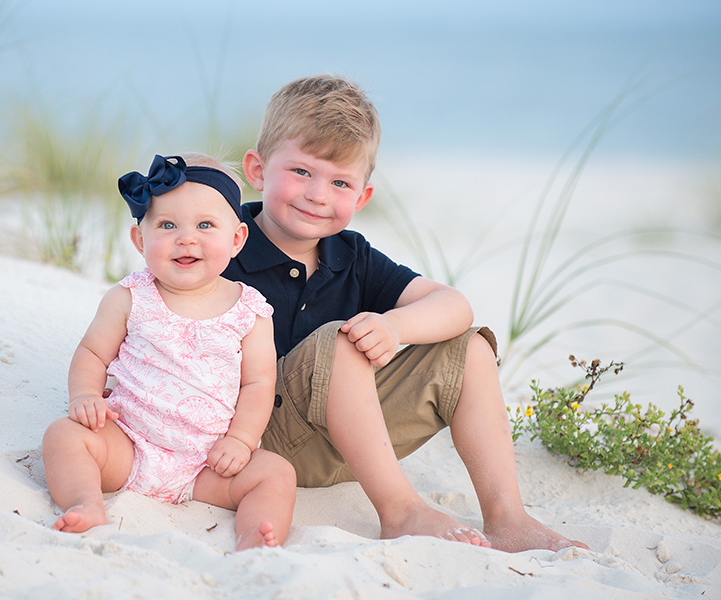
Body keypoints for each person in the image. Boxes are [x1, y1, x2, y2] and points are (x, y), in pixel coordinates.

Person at [222, 75, 590, 553]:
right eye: (301, 172)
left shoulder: (351, 255)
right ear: (257, 169)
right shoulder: (225, 243)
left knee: (470, 348)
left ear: (362, 198)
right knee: (339, 341)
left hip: (349, 448)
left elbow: (455, 305)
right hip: (253, 445)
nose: (317, 194)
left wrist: (395, 326)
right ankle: (400, 511)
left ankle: (507, 518)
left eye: (339, 183)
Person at [42, 153, 296, 551]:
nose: (186, 237)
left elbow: (259, 383)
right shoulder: (130, 297)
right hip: (127, 443)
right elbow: (92, 353)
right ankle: (86, 503)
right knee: (63, 436)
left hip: (207, 461)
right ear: (140, 240)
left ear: (236, 240)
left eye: (205, 225)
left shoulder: (250, 312)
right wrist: (86, 396)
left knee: (276, 474)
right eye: (167, 225)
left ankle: (254, 535)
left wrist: (243, 440)